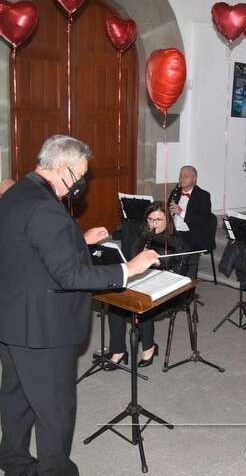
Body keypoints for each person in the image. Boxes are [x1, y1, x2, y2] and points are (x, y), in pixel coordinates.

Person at [0, 135, 159, 475]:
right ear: (62, 169)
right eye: (80, 175)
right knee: (54, 410)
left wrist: (79, 241)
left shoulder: (17, 192)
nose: (82, 184)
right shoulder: (46, 208)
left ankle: (14, 463)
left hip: (13, 320)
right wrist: (128, 269)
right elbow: (70, 276)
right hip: (44, 330)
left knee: (17, 398)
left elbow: (31, 250)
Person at [106, 202, 186, 370]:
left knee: (142, 304)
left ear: (168, 220)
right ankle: (118, 351)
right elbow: (132, 261)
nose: (153, 223)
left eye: (158, 219)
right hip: (142, 281)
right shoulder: (143, 236)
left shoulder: (174, 240)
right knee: (115, 304)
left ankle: (149, 347)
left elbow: (174, 268)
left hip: (167, 289)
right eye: (150, 219)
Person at [167, 165, 214, 278]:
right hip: (174, 231)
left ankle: (186, 285)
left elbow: (202, 220)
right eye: (180, 175)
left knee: (180, 245)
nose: (181, 178)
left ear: (194, 179)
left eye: (186, 176)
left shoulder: (203, 195)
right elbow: (167, 212)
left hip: (192, 233)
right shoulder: (175, 192)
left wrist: (181, 212)